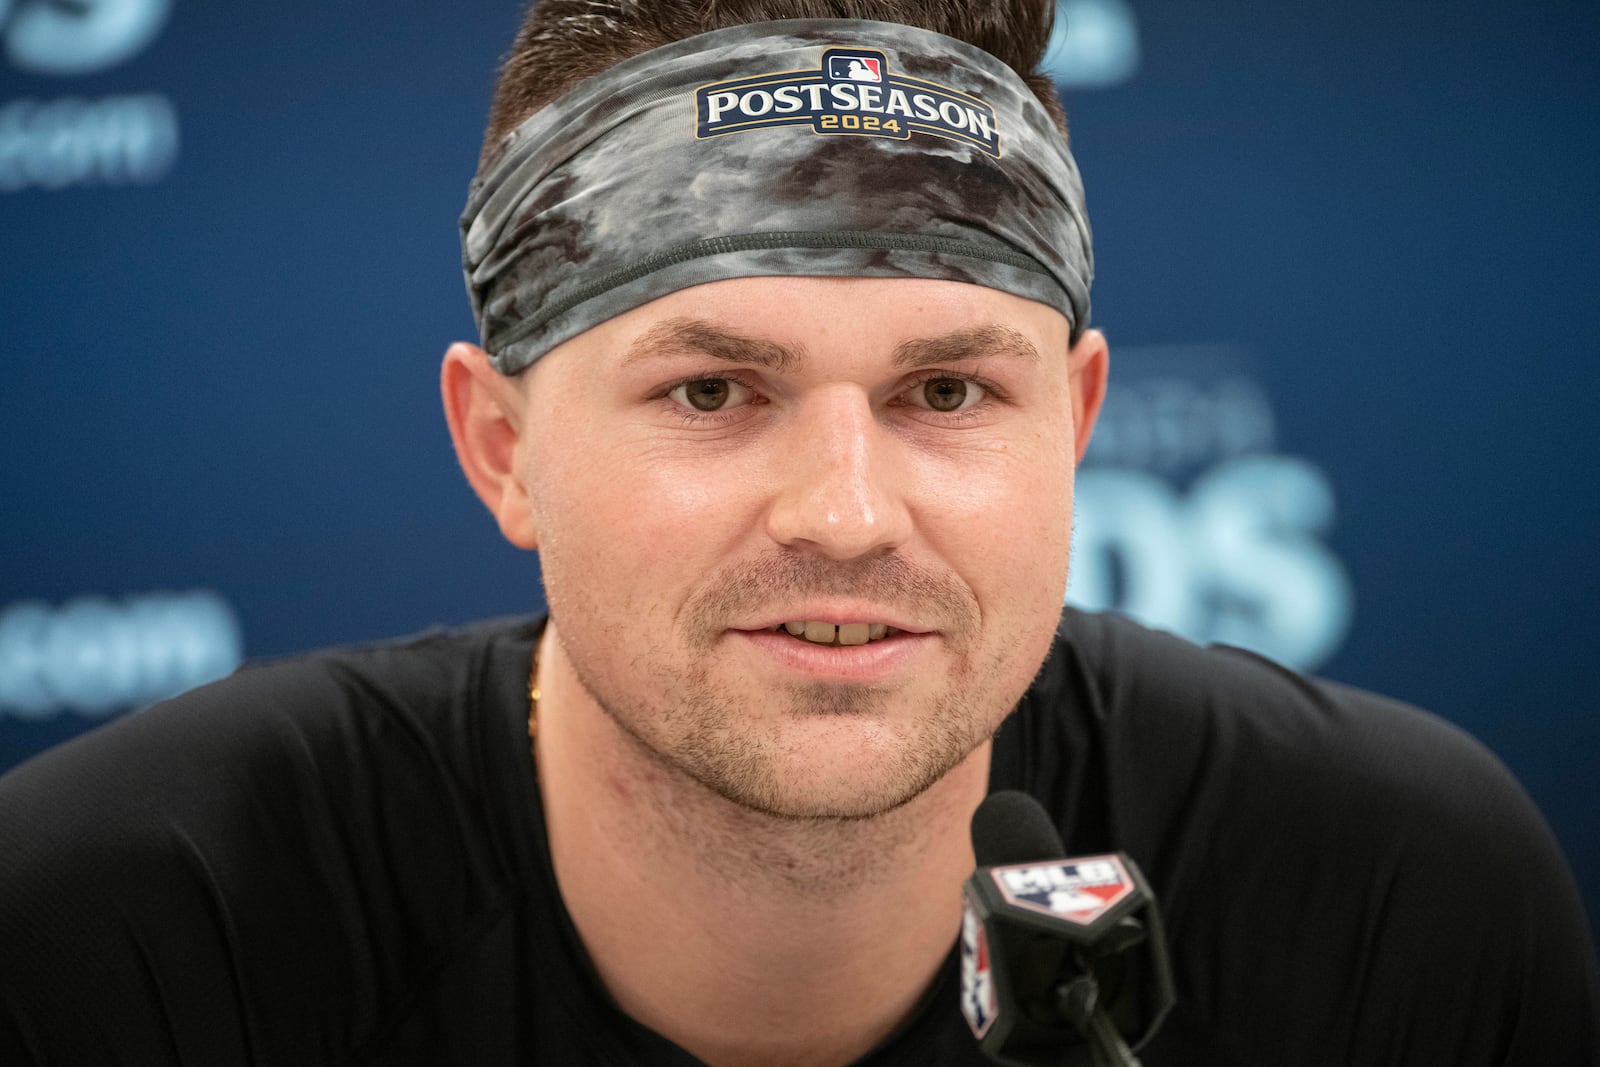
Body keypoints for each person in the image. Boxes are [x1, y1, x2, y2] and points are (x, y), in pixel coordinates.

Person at [1, 1, 1596, 1064]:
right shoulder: (130, 935)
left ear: (1078, 425)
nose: (846, 513)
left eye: (951, 392)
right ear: (502, 448)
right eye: (710, 392)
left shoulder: (1392, 897)